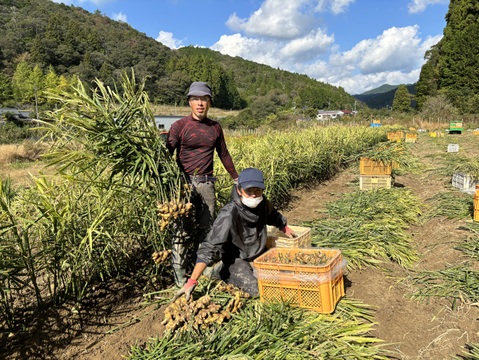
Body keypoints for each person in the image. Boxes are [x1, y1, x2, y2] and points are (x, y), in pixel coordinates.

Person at [173, 167, 296, 300]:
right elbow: (210, 246)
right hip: (236, 259)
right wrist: (192, 281)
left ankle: (244, 269)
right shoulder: (229, 214)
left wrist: (285, 228)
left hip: (257, 254)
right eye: (249, 190)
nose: (254, 194)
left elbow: (273, 215)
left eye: (258, 190)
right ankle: (222, 271)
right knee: (256, 290)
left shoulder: (263, 203)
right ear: (239, 190)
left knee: (282, 278)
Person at [166, 81, 238, 287]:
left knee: (208, 229)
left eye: (204, 99)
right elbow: (166, 154)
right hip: (184, 184)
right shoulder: (179, 126)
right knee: (181, 229)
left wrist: (236, 177)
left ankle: (204, 271)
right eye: (196, 99)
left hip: (207, 184)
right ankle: (180, 275)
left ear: (209, 103)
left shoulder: (215, 128)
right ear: (189, 102)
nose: (200, 103)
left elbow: (223, 154)